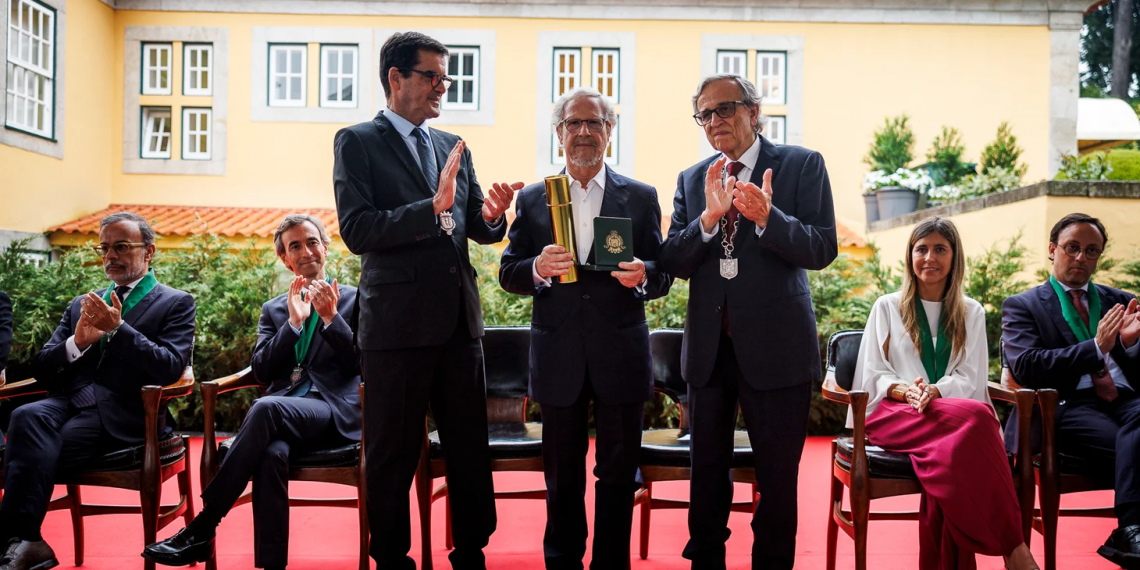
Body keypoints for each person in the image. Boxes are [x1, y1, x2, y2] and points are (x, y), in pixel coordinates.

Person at [333, 31, 521, 570]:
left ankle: (471, 550)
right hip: (396, 328)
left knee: (468, 447)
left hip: (459, 323)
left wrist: (492, 216)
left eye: (447, 78)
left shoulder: (453, 145)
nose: (443, 87)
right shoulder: (356, 142)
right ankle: (393, 556)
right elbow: (357, 230)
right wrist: (428, 208)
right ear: (396, 78)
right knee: (391, 451)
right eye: (432, 76)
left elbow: (475, 226)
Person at [657, 74, 837, 570]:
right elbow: (672, 260)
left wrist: (768, 218)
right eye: (705, 114)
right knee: (705, 475)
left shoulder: (802, 165)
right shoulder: (693, 179)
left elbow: (823, 248)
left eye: (725, 109)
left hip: (778, 351)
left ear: (754, 113)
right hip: (710, 351)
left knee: (777, 479)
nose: (714, 121)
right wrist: (707, 222)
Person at [498, 87, 671, 570]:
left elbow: (663, 272)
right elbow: (508, 272)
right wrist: (536, 267)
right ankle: (562, 561)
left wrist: (643, 275)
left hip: (621, 354)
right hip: (558, 356)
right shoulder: (535, 199)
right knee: (562, 477)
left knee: (618, 475)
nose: (584, 132)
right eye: (574, 123)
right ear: (559, 133)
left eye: (595, 122)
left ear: (610, 131)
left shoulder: (640, 196)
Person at [142, 214, 360, 570]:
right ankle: (271, 564)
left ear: (325, 246)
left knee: (265, 407)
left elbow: (360, 363)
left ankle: (204, 525)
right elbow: (260, 371)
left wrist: (330, 318)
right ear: (285, 259)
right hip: (284, 415)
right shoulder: (274, 309)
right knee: (271, 454)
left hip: (332, 411)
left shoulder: (355, 299)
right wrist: (293, 324)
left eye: (312, 242)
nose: (305, 251)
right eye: (294, 246)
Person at [0, 212, 195, 570]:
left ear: (149, 251)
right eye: (104, 248)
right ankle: (27, 541)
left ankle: (18, 541)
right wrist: (76, 343)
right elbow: (41, 368)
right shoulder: (82, 303)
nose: (110, 256)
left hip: (126, 412)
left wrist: (119, 330)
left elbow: (170, 366)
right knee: (25, 415)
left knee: (30, 448)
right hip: (68, 401)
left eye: (121, 247)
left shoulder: (176, 302)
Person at [852, 217, 1037, 570]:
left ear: (955, 257)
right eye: (921, 249)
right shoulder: (887, 306)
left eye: (940, 249)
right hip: (894, 414)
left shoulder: (971, 311)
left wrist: (936, 390)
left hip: (949, 415)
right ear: (910, 255)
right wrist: (906, 391)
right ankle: (1015, 550)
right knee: (980, 416)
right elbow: (872, 373)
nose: (929, 258)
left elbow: (971, 376)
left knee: (951, 455)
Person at [1002, 212, 1140, 569]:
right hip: (1065, 404)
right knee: (1133, 445)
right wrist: (1096, 347)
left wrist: (1130, 344)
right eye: (1072, 248)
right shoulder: (1023, 305)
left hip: (1126, 400)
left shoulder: (1121, 301)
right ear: (1053, 249)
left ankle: (1130, 534)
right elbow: (1027, 366)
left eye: (1091, 251)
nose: (1081, 257)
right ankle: (1131, 528)